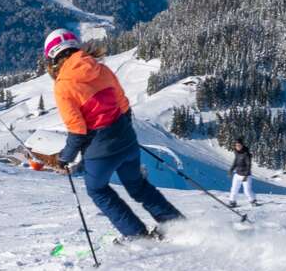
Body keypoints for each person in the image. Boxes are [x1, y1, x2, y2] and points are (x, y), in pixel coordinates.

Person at [32, 28, 184, 240]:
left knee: (98, 190)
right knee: (138, 186)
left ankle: (137, 235)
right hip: (126, 140)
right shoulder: (101, 69)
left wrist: (64, 158)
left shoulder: (63, 86)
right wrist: (123, 134)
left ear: (53, 57)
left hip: (100, 150)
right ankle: (175, 224)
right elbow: (123, 106)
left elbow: (77, 129)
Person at [227, 139, 256, 208]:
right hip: (237, 174)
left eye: (239, 145)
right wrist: (231, 170)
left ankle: (253, 201)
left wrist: (246, 175)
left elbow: (249, 165)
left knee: (247, 190)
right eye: (236, 145)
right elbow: (235, 162)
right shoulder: (237, 152)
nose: (238, 147)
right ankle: (232, 201)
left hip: (246, 175)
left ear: (242, 145)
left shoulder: (246, 154)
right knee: (234, 188)